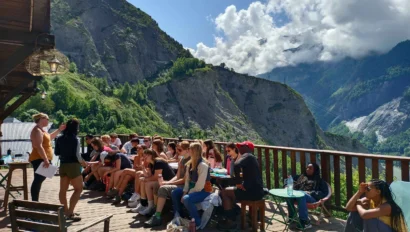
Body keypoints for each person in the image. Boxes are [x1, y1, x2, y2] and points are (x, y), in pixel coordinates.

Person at [219, 141, 264, 230]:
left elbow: (236, 165)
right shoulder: (252, 158)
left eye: (242, 146)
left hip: (250, 192)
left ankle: (230, 221)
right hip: (258, 191)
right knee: (230, 191)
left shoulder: (247, 155)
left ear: (248, 148)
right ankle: (239, 215)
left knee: (224, 192)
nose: (239, 148)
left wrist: (238, 183)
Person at [145, 141, 191, 227]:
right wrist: (167, 182)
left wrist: (168, 183)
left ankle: (157, 216)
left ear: (188, 150)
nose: (177, 151)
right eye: (177, 149)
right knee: (157, 185)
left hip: (186, 186)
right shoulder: (181, 160)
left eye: (180, 150)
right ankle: (156, 208)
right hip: (179, 183)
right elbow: (177, 176)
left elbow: (184, 180)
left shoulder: (191, 161)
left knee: (163, 188)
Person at [171, 142, 213, 227]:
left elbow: (200, 186)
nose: (188, 150)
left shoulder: (203, 165)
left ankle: (197, 221)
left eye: (190, 149)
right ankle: (179, 215)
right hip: (192, 188)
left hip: (203, 190)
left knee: (187, 199)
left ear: (194, 151)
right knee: (175, 192)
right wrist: (184, 192)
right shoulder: (189, 164)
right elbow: (187, 181)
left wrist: (188, 193)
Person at [55, 119, 87, 221]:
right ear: (76, 128)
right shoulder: (75, 139)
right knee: (78, 189)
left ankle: (65, 211)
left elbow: (56, 153)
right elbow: (78, 155)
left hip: (63, 165)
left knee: (62, 191)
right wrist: (83, 163)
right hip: (73, 166)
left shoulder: (59, 138)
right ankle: (70, 212)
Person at [29, 113, 65, 201]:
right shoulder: (37, 130)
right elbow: (39, 146)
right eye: (47, 119)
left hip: (43, 158)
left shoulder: (42, 130)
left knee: (40, 178)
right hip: (39, 158)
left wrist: (59, 130)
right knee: (39, 178)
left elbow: (50, 137)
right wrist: (45, 159)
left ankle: (35, 200)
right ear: (41, 119)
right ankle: (34, 201)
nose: (48, 121)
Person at [285, 163, 329, 230]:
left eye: (310, 168)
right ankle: (292, 216)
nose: (307, 169)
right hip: (299, 195)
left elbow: (324, 193)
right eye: (307, 168)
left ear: (315, 170)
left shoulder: (319, 181)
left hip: (312, 198)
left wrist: (310, 192)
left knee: (301, 195)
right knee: (289, 194)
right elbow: (290, 179)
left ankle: (304, 221)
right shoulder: (302, 177)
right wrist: (286, 185)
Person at [135, 149, 175, 215]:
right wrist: (143, 167)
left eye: (146, 156)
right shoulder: (151, 163)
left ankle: (150, 206)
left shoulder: (158, 162)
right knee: (143, 181)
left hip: (167, 181)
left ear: (151, 155)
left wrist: (145, 179)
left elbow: (156, 177)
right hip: (160, 180)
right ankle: (143, 203)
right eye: (144, 155)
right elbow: (148, 175)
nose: (144, 157)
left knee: (147, 183)